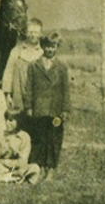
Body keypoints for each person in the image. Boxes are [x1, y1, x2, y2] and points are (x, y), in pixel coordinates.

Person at [23, 32, 70, 181]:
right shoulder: (34, 66)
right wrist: (28, 107)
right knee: (39, 138)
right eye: (47, 46)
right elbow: (28, 87)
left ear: (57, 47)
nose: (50, 50)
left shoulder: (62, 67)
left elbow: (66, 90)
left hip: (55, 111)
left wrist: (65, 109)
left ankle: (51, 169)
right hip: (39, 110)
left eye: (53, 46)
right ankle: (40, 167)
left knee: (54, 139)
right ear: (42, 46)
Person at [0, 109, 41, 184]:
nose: (7, 123)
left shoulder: (24, 137)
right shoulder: (0, 136)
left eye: (11, 120)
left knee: (35, 168)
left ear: (18, 121)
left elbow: (22, 161)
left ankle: (9, 179)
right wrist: (4, 170)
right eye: (6, 120)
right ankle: (15, 179)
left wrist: (5, 162)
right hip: (2, 169)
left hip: (18, 169)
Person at [2, 18, 44, 112]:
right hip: (18, 94)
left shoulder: (42, 53)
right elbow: (8, 73)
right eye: (30, 32)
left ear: (41, 34)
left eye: (36, 32)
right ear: (26, 32)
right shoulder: (16, 51)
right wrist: (7, 94)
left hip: (36, 95)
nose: (33, 35)